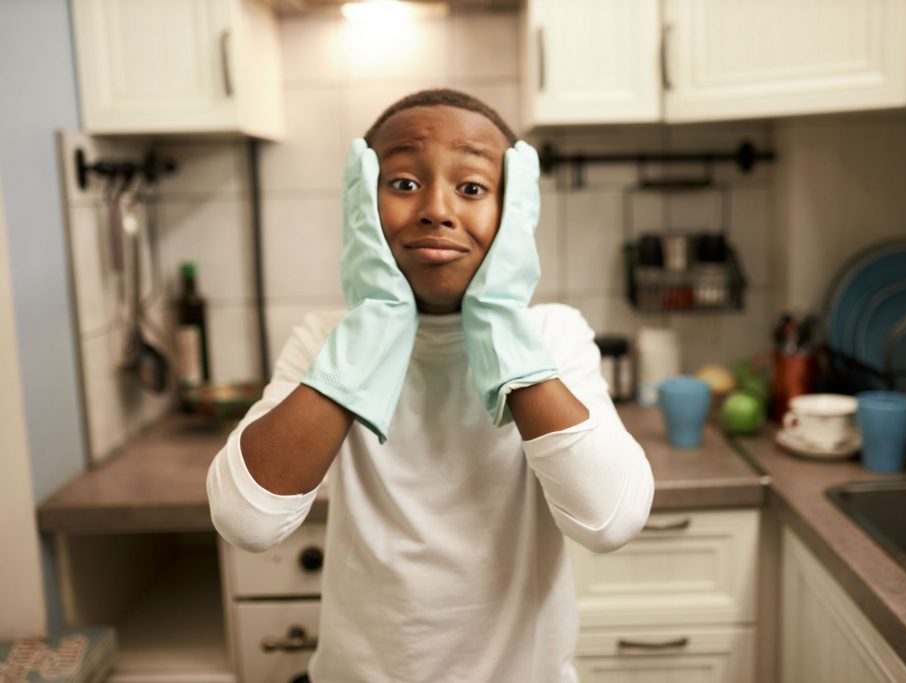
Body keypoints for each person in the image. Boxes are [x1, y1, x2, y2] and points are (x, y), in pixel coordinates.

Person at [207, 89, 654, 682]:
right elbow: (247, 521)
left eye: (472, 189)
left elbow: (609, 521)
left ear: (515, 210)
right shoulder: (325, 341)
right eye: (404, 183)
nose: (436, 209)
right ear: (361, 204)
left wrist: (497, 317)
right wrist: (374, 329)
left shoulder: (553, 335)